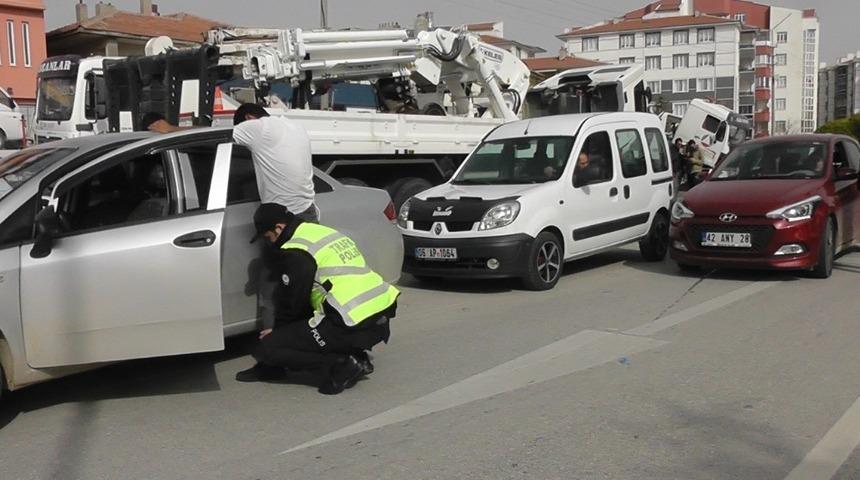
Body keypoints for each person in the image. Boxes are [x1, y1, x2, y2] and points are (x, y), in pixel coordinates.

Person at [235, 203, 400, 395]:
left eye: (267, 237)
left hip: (348, 321)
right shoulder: (318, 231)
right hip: (379, 315)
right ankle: (356, 355)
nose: (268, 243)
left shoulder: (295, 251)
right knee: (307, 324)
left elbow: (292, 303)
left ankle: (342, 364)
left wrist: (277, 334)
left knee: (268, 347)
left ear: (279, 228)